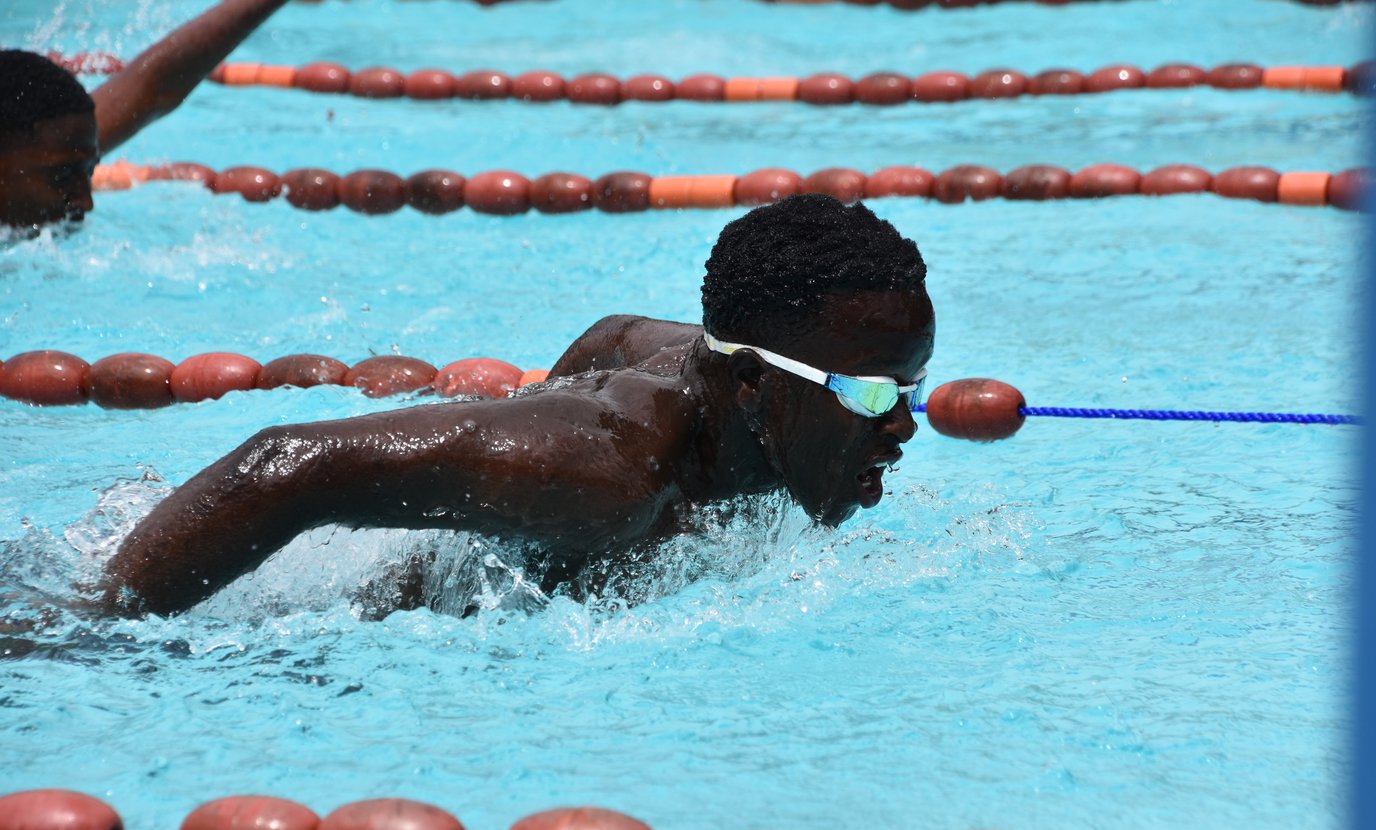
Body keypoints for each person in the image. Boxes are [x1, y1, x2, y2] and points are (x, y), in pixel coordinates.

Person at [103, 194, 937, 615]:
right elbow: (280, 463)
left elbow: (617, 334)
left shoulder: (742, 384)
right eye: (872, 392)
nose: (902, 424)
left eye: (912, 389)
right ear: (754, 384)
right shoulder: (603, 474)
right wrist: (99, 626)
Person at [0, 0, 294, 233]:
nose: (85, 203)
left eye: (88, 173)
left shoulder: (49, 147)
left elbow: (155, 91)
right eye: (63, 178)